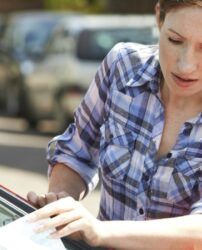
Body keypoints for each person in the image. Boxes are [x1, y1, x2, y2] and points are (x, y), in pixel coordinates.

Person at [27, 0, 202, 249]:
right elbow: (77, 151)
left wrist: (100, 231)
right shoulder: (122, 66)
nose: (186, 65)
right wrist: (61, 204)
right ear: (159, 18)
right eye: (175, 40)